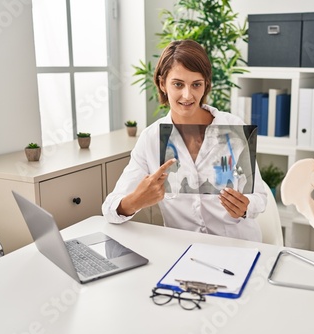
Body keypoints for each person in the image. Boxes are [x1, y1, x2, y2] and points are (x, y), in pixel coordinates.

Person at [102, 39, 267, 242]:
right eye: (178, 84)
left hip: (237, 247)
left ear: (206, 84)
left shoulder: (233, 128)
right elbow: (109, 208)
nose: (187, 95)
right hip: (183, 253)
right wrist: (135, 201)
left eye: (196, 84)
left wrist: (244, 207)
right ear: (163, 84)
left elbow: (260, 196)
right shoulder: (151, 139)